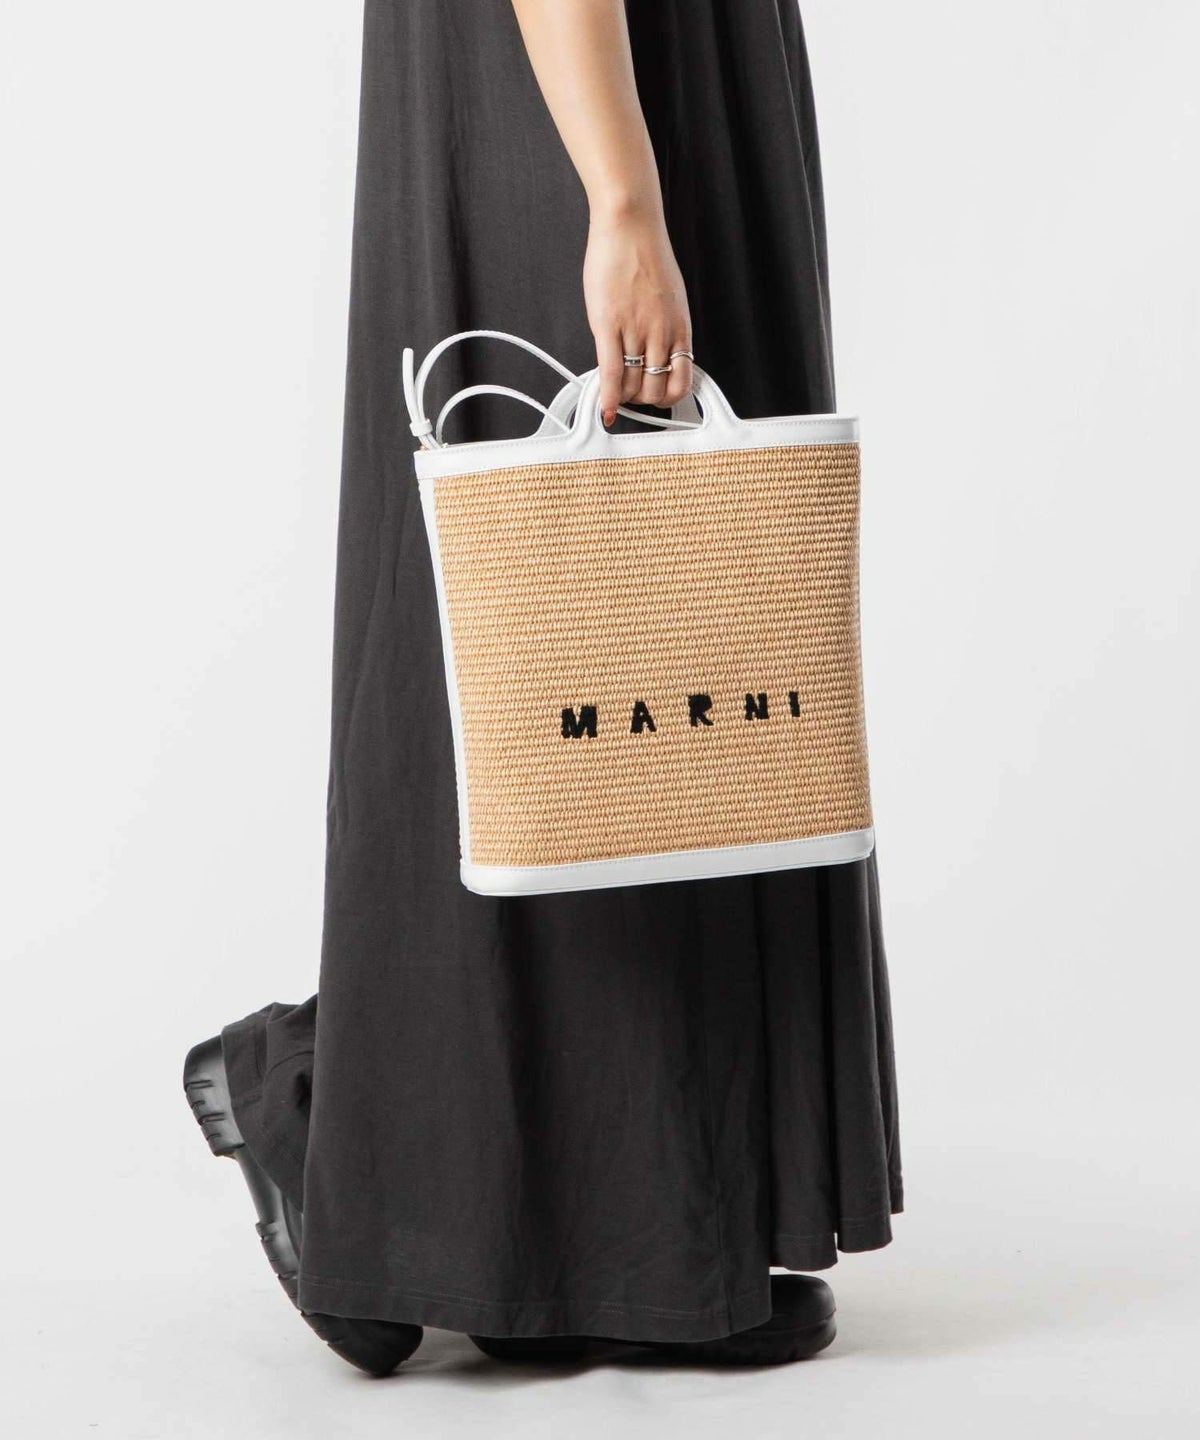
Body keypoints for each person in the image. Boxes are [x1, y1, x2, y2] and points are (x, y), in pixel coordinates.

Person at [183, 0, 902, 1376]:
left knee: (616, 629)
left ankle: (501, 1197)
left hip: (642, 73)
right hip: (579, 87)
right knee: (552, 616)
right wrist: (621, 196)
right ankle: (453, 1185)